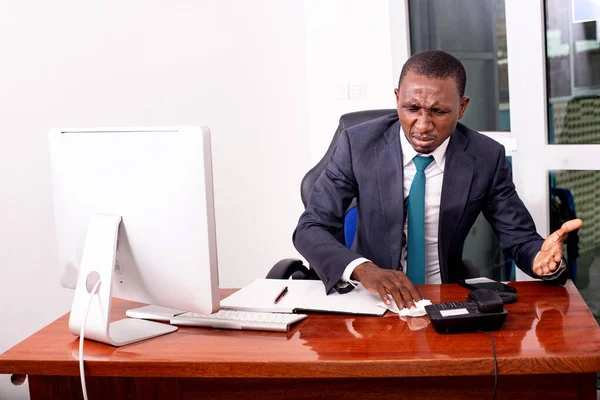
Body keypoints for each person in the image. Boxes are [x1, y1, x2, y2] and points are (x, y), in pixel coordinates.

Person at [293, 50, 582, 310]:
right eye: (412, 108)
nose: (422, 125)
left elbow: (520, 238)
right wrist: (363, 269)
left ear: (462, 107)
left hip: (445, 298)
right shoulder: (358, 144)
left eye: (439, 111)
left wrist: (542, 261)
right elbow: (310, 228)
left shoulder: (484, 157)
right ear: (397, 99)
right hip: (369, 299)